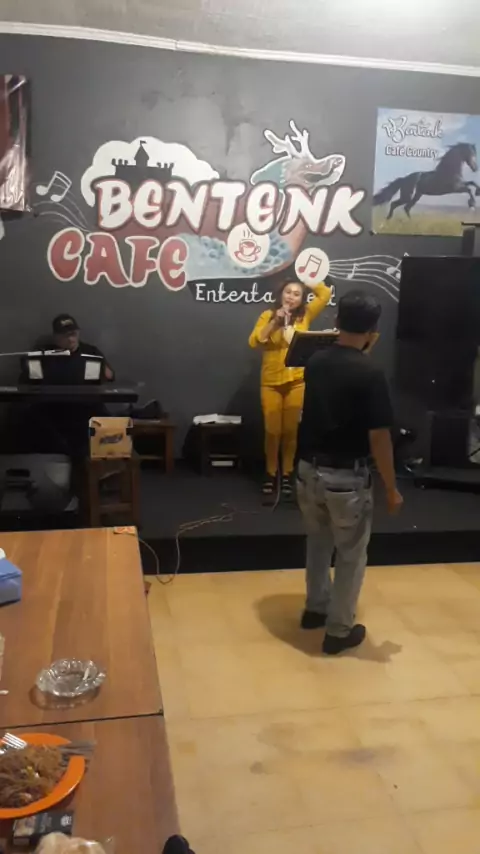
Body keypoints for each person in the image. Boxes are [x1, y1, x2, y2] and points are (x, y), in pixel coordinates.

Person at [296, 289, 403, 655]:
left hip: (308, 470)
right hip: (346, 479)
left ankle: (315, 608)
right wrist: (391, 488)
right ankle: (339, 630)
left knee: (318, 542)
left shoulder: (316, 362)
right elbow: (379, 438)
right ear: (374, 330)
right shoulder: (371, 373)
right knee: (351, 554)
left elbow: (340, 368)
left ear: (337, 320)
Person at [249, 278, 331, 500]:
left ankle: (286, 474)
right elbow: (255, 341)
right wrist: (275, 322)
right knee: (272, 431)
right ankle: (270, 473)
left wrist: (307, 278)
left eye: (297, 294)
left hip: (296, 381)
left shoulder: (305, 315)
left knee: (291, 431)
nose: (291, 297)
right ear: (280, 294)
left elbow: (324, 295)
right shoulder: (268, 315)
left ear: (302, 299)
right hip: (271, 383)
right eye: (288, 292)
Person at [33, 314, 114, 381]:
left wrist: (105, 372)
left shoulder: (91, 352)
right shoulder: (44, 355)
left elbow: (110, 377)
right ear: (56, 337)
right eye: (65, 335)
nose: (70, 339)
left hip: (86, 395)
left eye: (73, 334)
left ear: (78, 332)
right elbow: (31, 384)